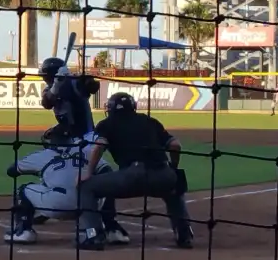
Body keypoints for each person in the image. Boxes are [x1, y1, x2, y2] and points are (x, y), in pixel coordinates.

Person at [3, 57, 132, 245]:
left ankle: (111, 225)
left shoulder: (73, 84)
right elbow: (47, 102)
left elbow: (91, 86)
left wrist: (76, 79)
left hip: (86, 139)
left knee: (100, 173)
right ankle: (49, 203)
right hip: (69, 139)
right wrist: (56, 84)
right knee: (56, 167)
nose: (44, 80)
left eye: (46, 76)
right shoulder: (52, 88)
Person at [73, 92, 194, 251]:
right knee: (174, 185)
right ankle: (184, 234)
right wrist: (173, 167)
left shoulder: (107, 124)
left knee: (86, 187)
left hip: (132, 176)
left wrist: (88, 172)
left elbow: (100, 146)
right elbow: (175, 145)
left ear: (110, 109)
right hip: (162, 173)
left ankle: (93, 235)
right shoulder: (149, 121)